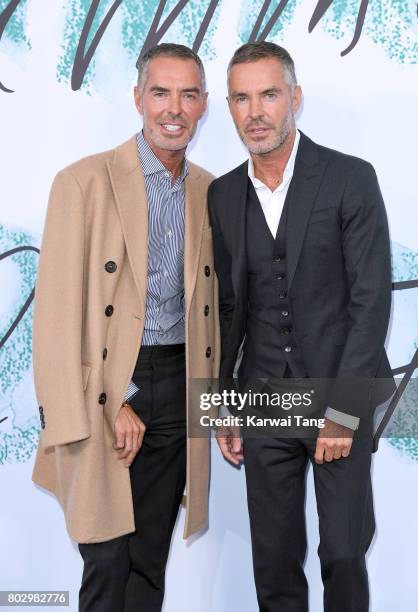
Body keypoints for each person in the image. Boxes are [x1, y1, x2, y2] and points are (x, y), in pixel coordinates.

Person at [31, 43, 219, 611]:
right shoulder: (83, 182)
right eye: (160, 92)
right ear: (138, 97)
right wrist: (113, 401)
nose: (174, 109)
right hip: (110, 381)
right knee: (107, 557)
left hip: (178, 381)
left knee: (148, 557)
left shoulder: (209, 190)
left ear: (204, 105)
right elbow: (56, 319)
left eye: (188, 95)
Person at [208, 41, 395, 612]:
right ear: (230, 106)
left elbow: (371, 300)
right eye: (242, 98)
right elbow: (230, 309)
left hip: (337, 394)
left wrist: (341, 409)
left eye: (268, 94)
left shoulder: (349, 178)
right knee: (274, 560)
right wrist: (221, 410)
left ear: (295, 98)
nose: (255, 111)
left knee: (342, 552)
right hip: (264, 399)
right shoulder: (222, 194)